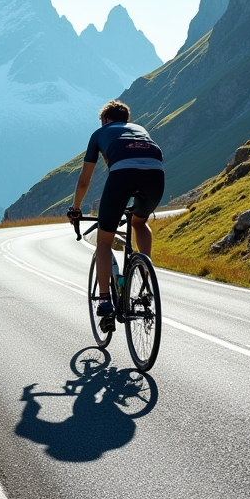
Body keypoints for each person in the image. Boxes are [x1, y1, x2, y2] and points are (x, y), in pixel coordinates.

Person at [67, 100, 164, 330]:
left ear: (105, 120)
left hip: (122, 177)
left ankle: (105, 302)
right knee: (139, 224)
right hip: (156, 177)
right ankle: (144, 277)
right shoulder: (141, 130)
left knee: (104, 241)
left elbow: (84, 179)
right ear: (126, 120)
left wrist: (76, 208)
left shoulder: (100, 133)